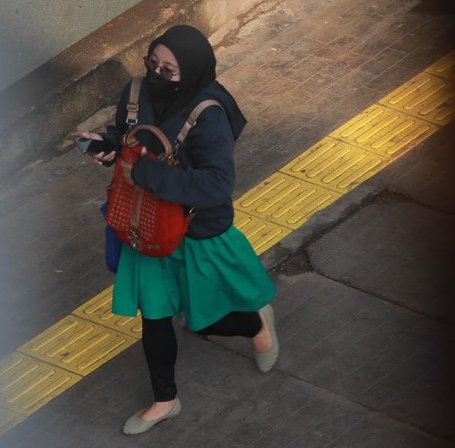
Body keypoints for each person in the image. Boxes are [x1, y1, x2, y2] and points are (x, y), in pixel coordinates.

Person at [81, 25, 278, 436]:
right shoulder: (136, 93)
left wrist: (149, 175)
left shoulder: (208, 116)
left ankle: (255, 324)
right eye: (153, 63)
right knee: (154, 317)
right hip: (145, 226)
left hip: (194, 232)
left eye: (169, 70)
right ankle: (165, 399)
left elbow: (217, 184)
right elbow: (127, 136)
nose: (157, 75)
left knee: (202, 322)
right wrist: (106, 143)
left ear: (192, 70)